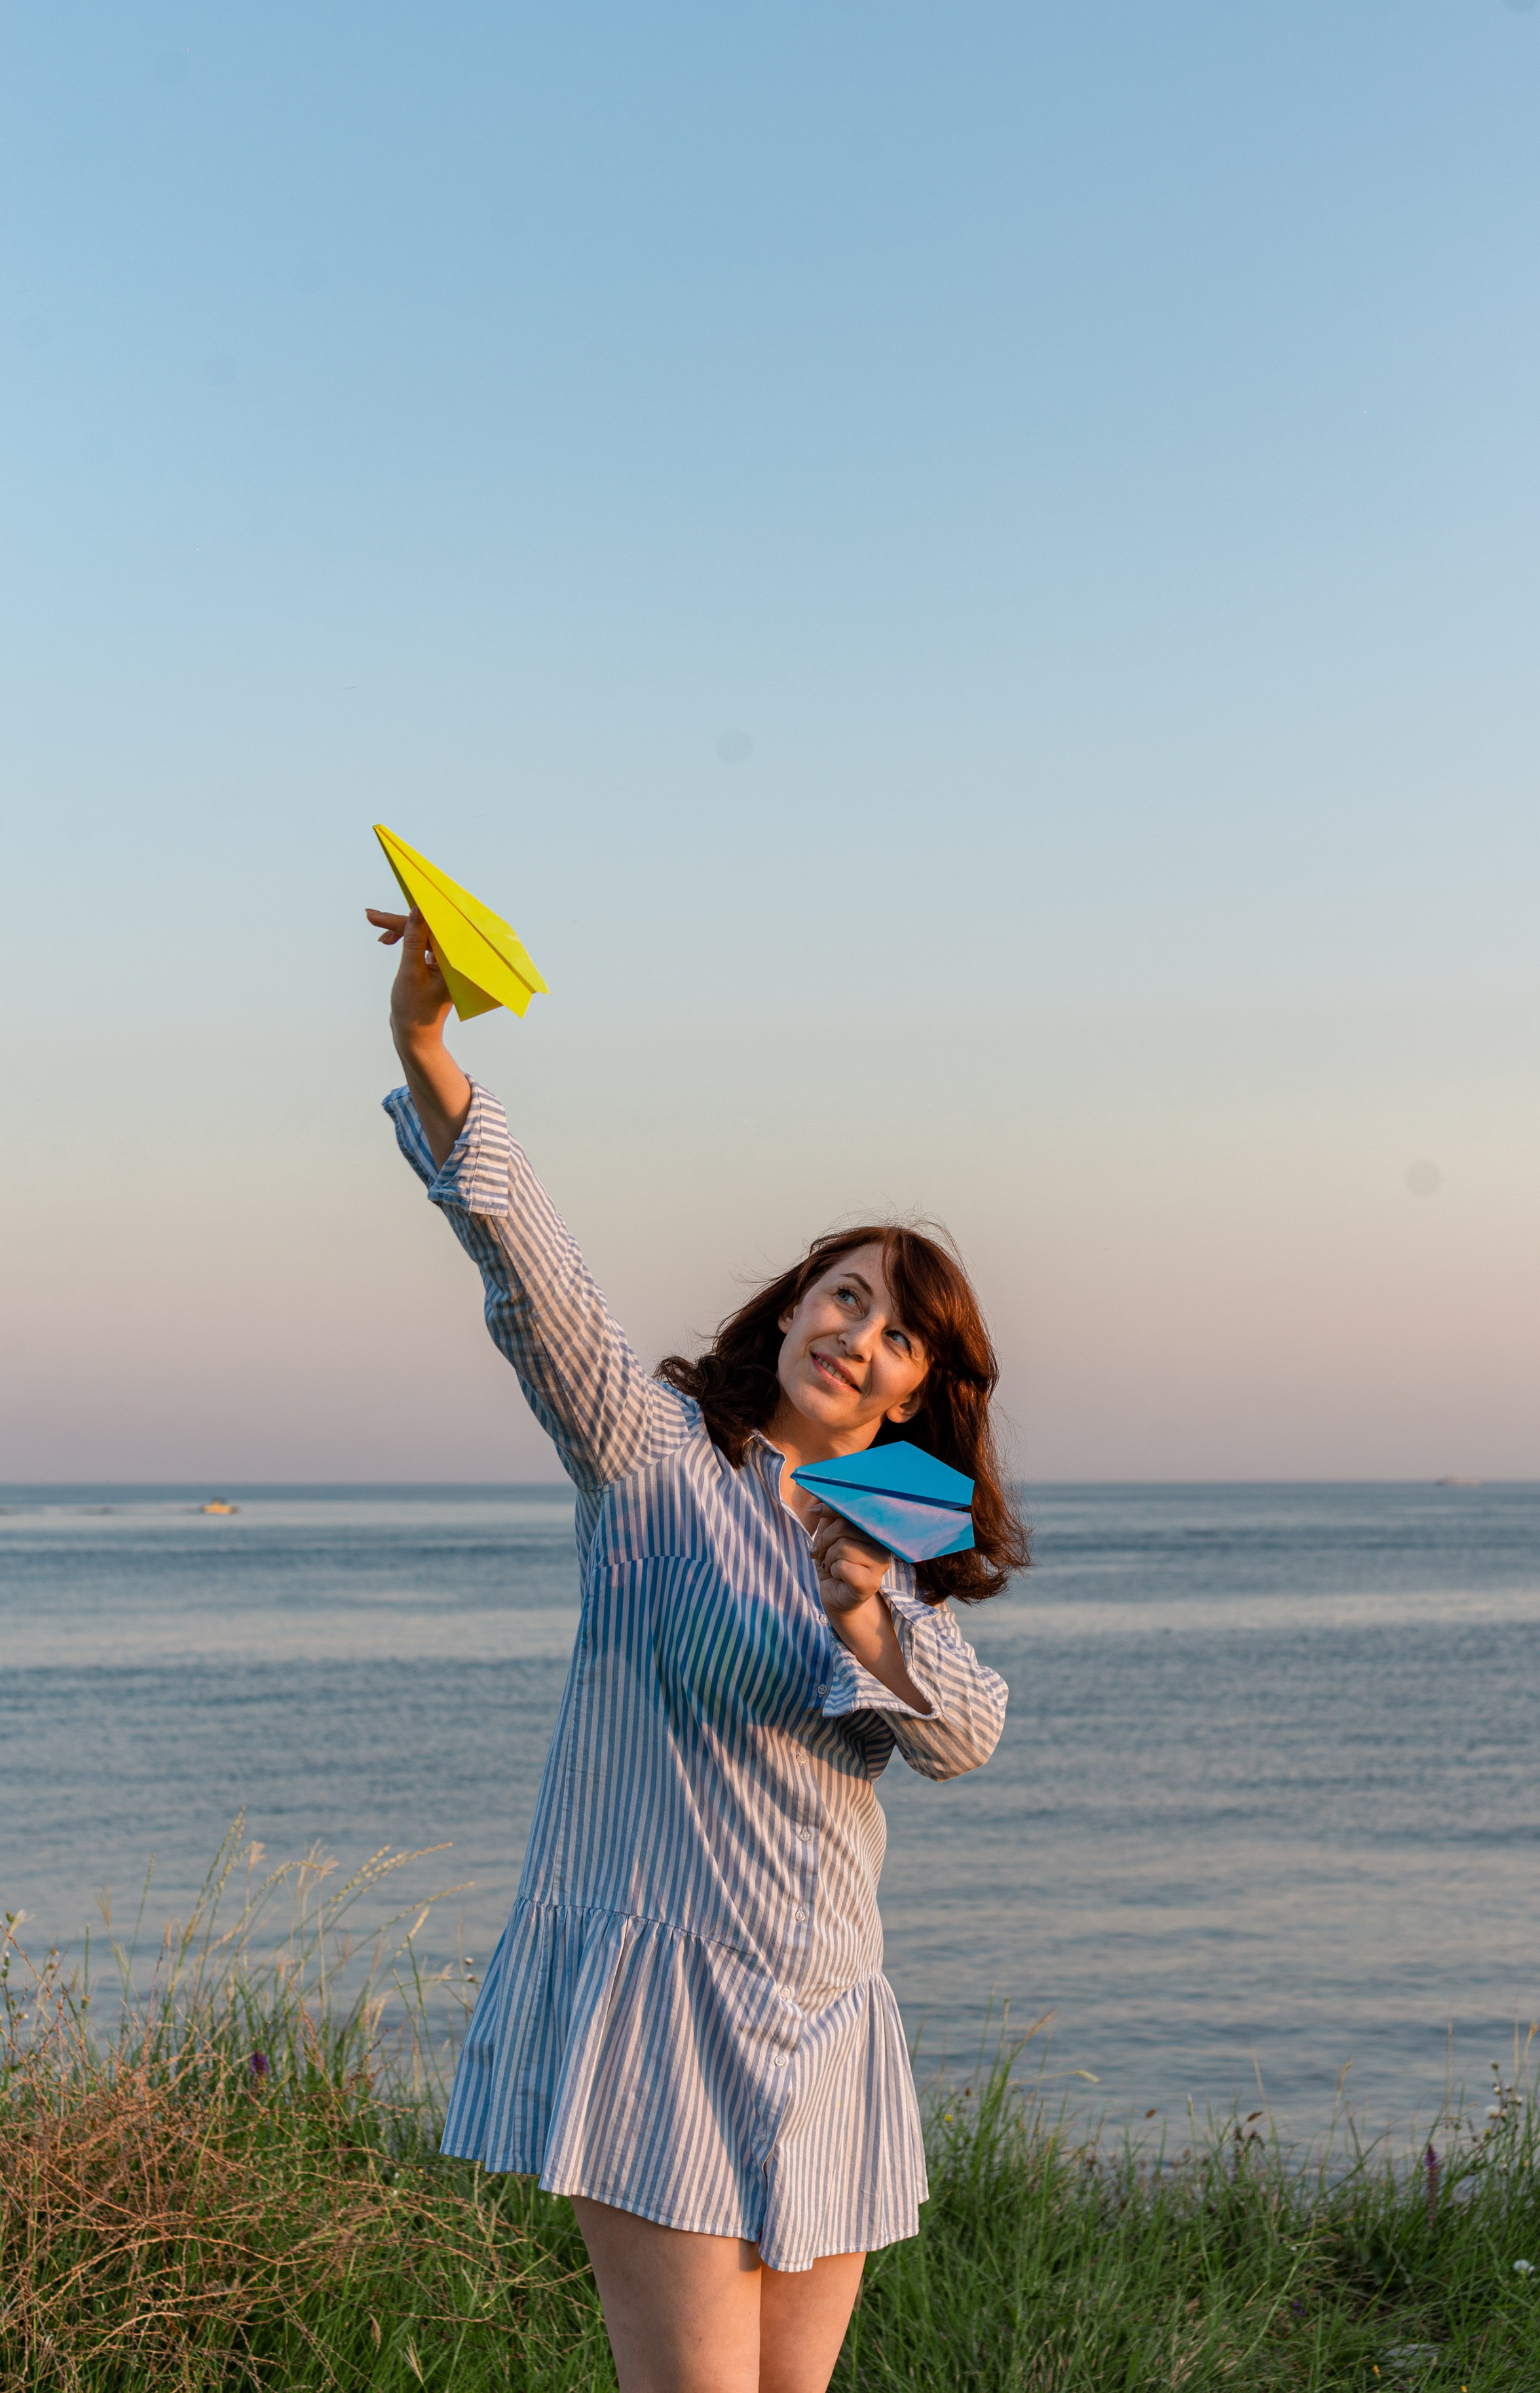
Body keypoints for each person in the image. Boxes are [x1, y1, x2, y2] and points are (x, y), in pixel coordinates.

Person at [366, 902, 1026, 2393]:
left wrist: (865, 1613)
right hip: (666, 2004)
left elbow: (969, 1732)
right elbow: (539, 1282)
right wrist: (426, 1047)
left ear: (914, 1393)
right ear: (792, 1309)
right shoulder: (656, 1457)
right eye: (844, 1293)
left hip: (831, 2017)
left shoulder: (895, 1553)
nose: (858, 1332)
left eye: (898, 1331)